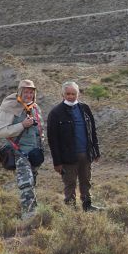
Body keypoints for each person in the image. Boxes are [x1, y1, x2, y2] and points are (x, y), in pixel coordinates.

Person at [46, 81, 101, 211]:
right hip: (67, 157)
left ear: (78, 94)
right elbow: (52, 140)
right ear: (62, 94)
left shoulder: (85, 108)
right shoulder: (55, 113)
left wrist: (96, 151)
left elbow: (92, 131)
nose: (70, 96)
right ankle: (71, 210)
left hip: (86, 154)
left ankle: (87, 205)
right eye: (68, 94)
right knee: (70, 183)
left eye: (73, 93)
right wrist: (57, 162)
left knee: (86, 181)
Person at [0, 79, 45, 220]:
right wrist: (22, 125)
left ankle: (33, 213)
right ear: (20, 92)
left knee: (32, 183)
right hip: (19, 152)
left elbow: (40, 131)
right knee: (26, 184)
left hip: (34, 153)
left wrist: (41, 148)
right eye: (26, 92)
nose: (28, 95)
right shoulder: (10, 107)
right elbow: (0, 132)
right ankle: (29, 217)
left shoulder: (36, 108)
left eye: (31, 92)